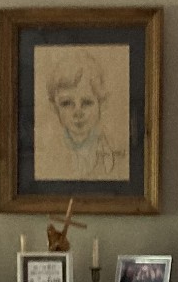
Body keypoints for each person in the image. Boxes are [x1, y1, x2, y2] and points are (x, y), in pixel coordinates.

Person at [35, 48, 128, 182]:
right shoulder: (47, 157)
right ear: (54, 107)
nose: (77, 113)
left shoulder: (114, 153)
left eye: (87, 103)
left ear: (102, 104)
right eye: (67, 103)